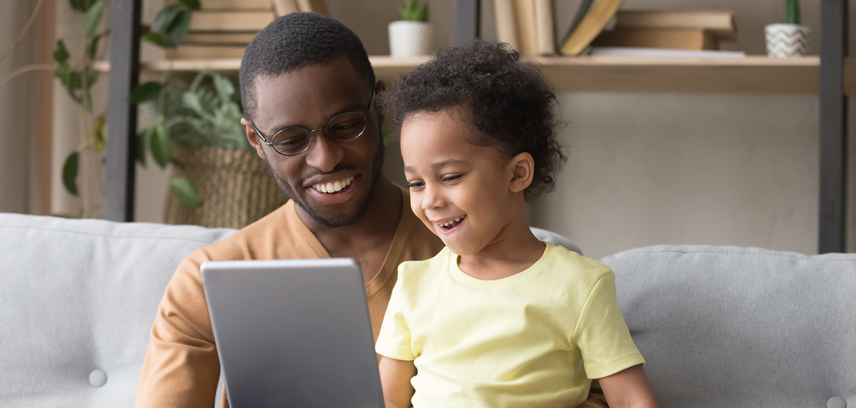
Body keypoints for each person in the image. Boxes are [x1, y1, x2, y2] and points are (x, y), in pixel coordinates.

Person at [133, 13, 444, 408]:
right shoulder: (207, 282)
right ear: (255, 140)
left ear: (379, 107)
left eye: (345, 126)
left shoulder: (464, 246)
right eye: (291, 140)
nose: (326, 159)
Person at [375, 41, 659, 408]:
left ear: (518, 173)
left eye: (450, 177)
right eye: (416, 183)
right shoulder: (413, 285)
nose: (429, 201)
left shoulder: (581, 285)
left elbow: (634, 401)